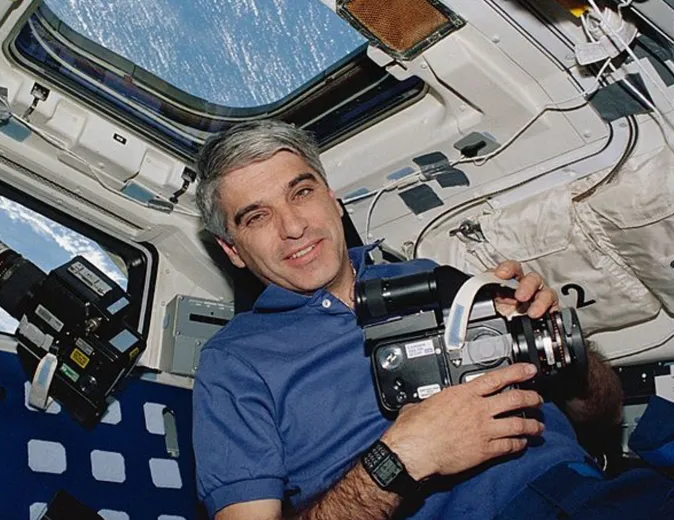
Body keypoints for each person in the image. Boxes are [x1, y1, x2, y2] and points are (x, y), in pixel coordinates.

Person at [190, 120, 631, 520]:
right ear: (232, 250)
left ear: (333, 199)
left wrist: (556, 341)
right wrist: (403, 458)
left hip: (592, 493)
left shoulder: (432, 278)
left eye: (301, 192)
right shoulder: (233, 362)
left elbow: (604, 415)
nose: (292, 226)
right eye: (257, 217)